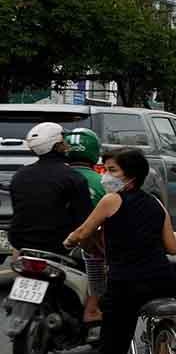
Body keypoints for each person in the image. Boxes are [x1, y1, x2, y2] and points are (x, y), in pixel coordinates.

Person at [64, 147, 176, 354]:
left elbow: (82, 233)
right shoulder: (157, 205)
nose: (105, 175)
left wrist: (70, 240)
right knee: (162, 312)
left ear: (129, 176)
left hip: (126, 287)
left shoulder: (110, 201)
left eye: (112, 170)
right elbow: (171, 247)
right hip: (163, 282)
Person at [9, 122, 92, 256]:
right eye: (63, 141)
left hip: (21, 244)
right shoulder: (73, 177)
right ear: (57, 146)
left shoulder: (19, 175)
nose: (67, 145)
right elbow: (85, 219)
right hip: (60, 247)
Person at [64, 128, 107, 326]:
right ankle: (93, 308)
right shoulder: (101, 182)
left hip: (41, 240)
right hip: (81, 244)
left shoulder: (54, 175)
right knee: (103, 264)